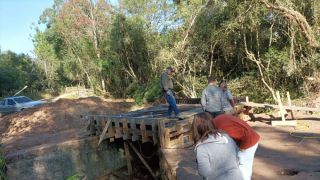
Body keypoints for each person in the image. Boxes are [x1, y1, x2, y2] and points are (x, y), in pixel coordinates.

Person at [192, 112, 243, 180]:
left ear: (196, 128)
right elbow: (238, 157)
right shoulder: (226, 136)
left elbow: (204, 172)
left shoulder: (201, 148)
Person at [212, 114, 260, 180]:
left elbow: (242, 135)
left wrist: (241, 150)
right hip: (242, 140)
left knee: (243, 166)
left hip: (249, 141)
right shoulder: (216, 121)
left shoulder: (222, 127)